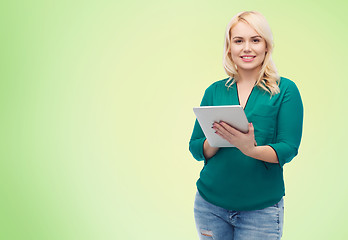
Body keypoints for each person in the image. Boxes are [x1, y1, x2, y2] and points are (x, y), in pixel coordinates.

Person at [189, 11, 303, 240]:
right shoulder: (215, 91)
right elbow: (195, 147)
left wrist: (249, 149)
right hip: (209, 206)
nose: (247, 48)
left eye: (255, 40)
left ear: (266, 46)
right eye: (239, 41)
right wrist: (215, 140)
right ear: (229, 47)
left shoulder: (285, 91)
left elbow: (288, 148)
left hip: (260, 211)